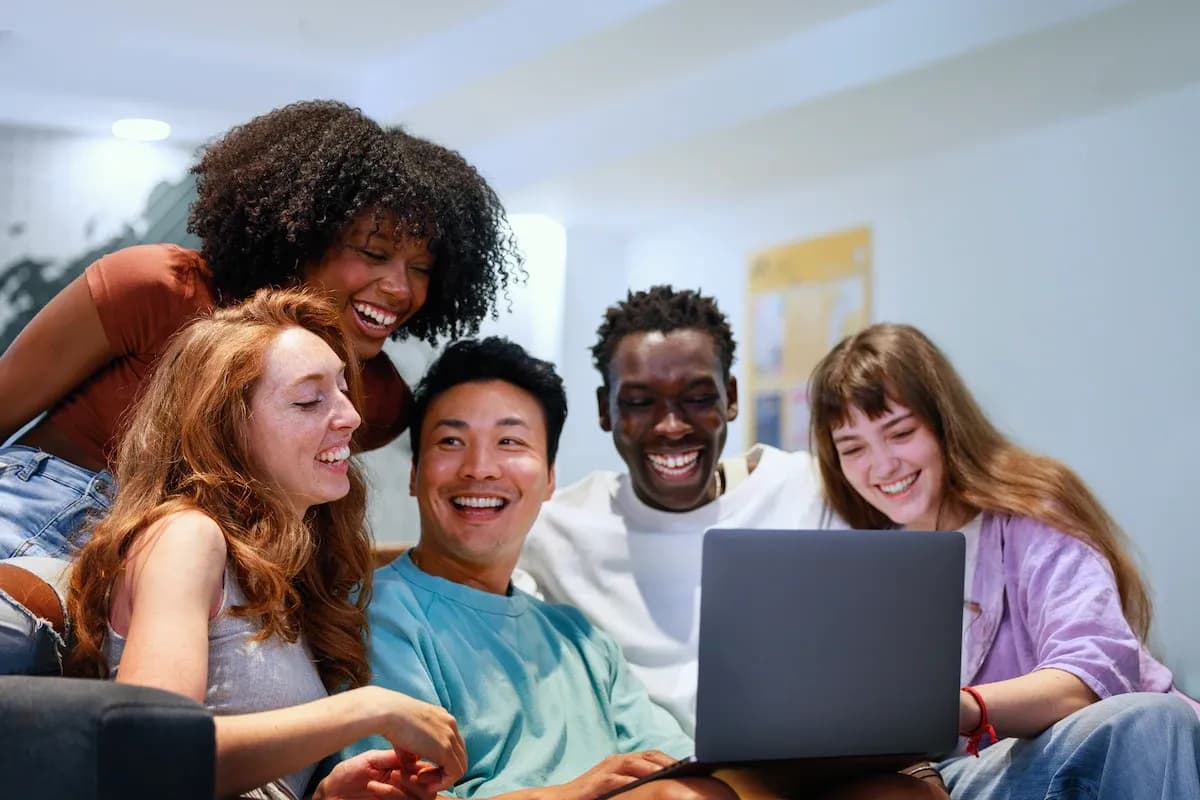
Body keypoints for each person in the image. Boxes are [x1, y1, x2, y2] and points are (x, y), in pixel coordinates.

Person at [0, 98, 520, 674]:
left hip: (184, 582)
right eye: (373, 253)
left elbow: (292, 528)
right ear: (301, 234)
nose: (398, 287)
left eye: (421, 268)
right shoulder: (155, 288)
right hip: (38, 521)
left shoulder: (377, 400)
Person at [349, 336, 937, 800]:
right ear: (414, 473)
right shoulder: (380, 613)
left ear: (550, 479)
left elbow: (676, 758)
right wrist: (569, 793)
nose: (480, 468)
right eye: (451, 443)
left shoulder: (577, 639)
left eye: (510, 443)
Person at [65, 288, 468, 800]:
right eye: (308, 400)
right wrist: (364, 708)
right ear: (226, 427)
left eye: (344, 391)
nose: (351, 417)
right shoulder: (186, 535)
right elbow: (152, 756)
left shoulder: (282, 569)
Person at [807, 321, 1200, 798]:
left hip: (1072, 755)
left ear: (944, 422)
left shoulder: (1030, 512)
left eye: (901, 432)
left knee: (1154, 721)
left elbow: (1092, 672)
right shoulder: (853, 558)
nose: (883, 465)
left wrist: (961, 707)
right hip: (946, 778)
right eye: (853, 448)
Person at [519, 286, 827, 734]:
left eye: (699, 398)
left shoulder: (806, 489)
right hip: (659, 776)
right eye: (640, 403)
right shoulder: (554, 528)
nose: (672, 426)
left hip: (805, 754)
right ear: (605, 409)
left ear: (732, 397)